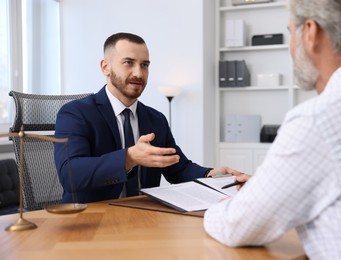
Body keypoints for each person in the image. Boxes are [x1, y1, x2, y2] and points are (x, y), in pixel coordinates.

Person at [203, 0, 341, 259]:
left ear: (311, 33)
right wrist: (267, 187)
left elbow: (237, 226)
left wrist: (222, 207)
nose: (291, 47)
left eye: (292, 31)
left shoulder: (318, 118)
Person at [54, 32, 238, 203]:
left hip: (144, 216)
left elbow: (177, 168)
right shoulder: (75, 113)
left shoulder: (155, 119)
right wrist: (129, 158)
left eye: (145, 65)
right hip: (90, 220)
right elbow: (70, 175)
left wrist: (210, 174)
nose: (139, 73)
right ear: (105, 67)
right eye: (128, 62)